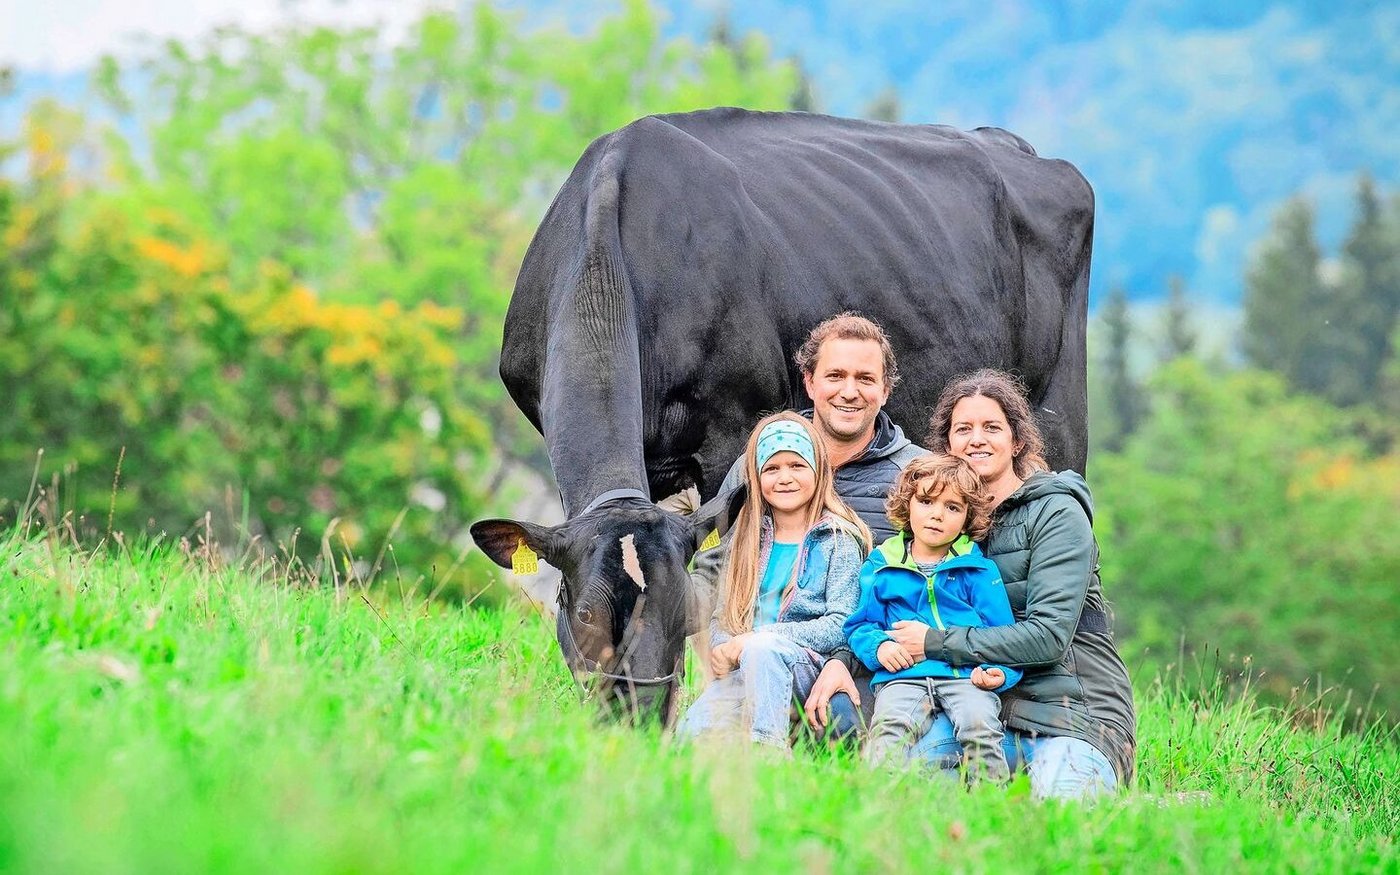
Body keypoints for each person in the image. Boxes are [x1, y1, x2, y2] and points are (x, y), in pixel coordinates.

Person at [823, 369, 1136, 799]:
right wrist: (847, 655)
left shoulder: (1055, 513)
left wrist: (932, 642)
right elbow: (880, 601)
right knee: (901, 799)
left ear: (1017, 441)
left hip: (1071, 714)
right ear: (947, 445)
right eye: (962, 429)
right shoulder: (940, 528)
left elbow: (1049, 636)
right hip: (977, 713)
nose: (977, 439)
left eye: (992, 427)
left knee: (1063, 816)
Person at [688, 313, 925, 736]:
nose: (849, 392)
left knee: (839, 743)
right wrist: (718, 655)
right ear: (810, 382)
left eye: (865, 379)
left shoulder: (917, 476)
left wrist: (843, 662)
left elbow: (931, 587)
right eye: (835, 375)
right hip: (750, 662)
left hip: (874, 667)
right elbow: (712, 572)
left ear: (885, 390)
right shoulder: (755, 467)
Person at [676, 412, 872, 747]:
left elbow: (841, 623)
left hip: (807, 665)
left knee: (764, 650)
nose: (784, 478)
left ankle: (767, 750)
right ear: (756, 477)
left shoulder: (838, 538)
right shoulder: (746, 540)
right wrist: (723, 646)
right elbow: (724, 613)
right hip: (744, 666)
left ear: (818, 471)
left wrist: (756, 639)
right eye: (772, 468)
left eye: (797, 466)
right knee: (690, 738)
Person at [844, 454, 1021, 781]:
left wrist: (999, 673)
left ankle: (992, 803)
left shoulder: (978, 569)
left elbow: (1003, 634)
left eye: (953, 507)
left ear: (968, 517)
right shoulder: (882, 564)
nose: (937, 514)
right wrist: (880, 647)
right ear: (907, 504)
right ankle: (876, 800)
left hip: (966, 676)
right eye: (926, 501)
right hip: (903, 676)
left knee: (979, 726)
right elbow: (861, 625)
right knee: (889, 730)